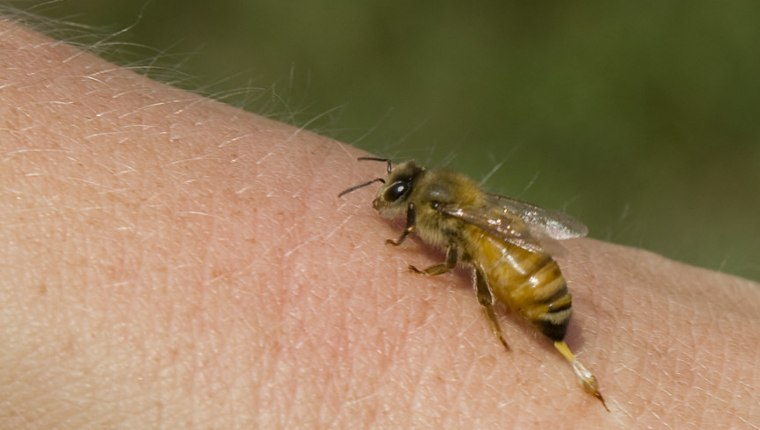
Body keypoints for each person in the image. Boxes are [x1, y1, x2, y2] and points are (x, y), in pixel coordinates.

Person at [1, 19, 758, 429]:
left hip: (527, 284)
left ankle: (517, 327)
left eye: (395, 198)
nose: (391, 207)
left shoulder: (443, 216)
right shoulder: (460, 199)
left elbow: (467, 251)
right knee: (488, 258)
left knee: (483, 270)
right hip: (533, 261)